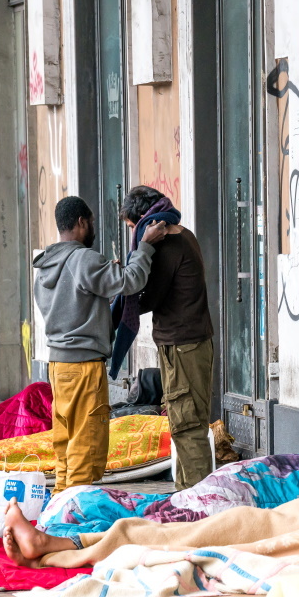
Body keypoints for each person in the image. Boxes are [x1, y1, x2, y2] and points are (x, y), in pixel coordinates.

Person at [32, 195, 166, 495]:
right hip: (83, 368)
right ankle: (75, 515)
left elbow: (75, 300)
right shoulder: (83, 259)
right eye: (90, 222)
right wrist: (145, 245)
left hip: (58, 366)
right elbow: (132, 281)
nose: (92, 228)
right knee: (86, 444)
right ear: (81, 222)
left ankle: (59, 507)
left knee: (66, 444)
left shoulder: (45, 265)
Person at [116, 185, 214, 491]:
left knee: (186, 425)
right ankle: (189, 494)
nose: (137, 234)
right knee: (186, 421)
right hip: (189, 342)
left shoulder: (170, 246)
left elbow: (148, 296)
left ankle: (198, 502)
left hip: (183, 346)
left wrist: (119, 289)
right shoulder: (184, 234)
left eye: (134, 228)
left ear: (144, 219)